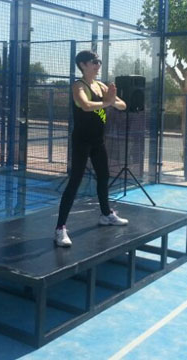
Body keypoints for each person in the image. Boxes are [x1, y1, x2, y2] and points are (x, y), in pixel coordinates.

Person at [54, 50, 128, 247]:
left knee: (103, 177)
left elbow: (122, 105)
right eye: (94, 62)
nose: (98, 65)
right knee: (75, 182)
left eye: (99, 62)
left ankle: (106, 215)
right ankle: (60, 229)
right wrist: (107, 102)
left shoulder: (101, 86)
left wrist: (111, 100)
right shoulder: (78, 86)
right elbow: (85, 105)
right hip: (82, 141)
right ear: (83, 65)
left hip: (98, 141)